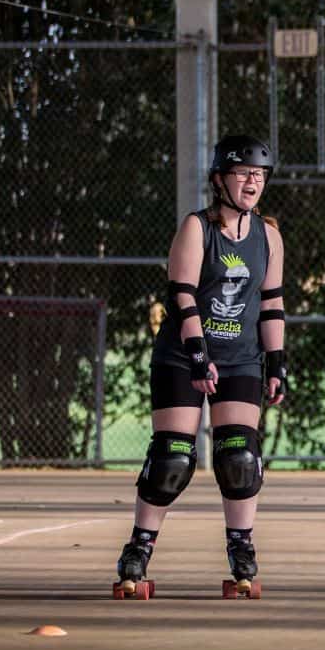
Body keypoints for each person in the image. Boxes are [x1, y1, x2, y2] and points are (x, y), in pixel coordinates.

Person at [113, 134, 287, 600]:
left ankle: (241, 549)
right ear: (219, 179)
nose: (252, 182)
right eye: (243, 173)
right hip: (182, 353)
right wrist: (197, 354)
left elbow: (271, 303)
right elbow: (181, 293)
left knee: (239, 458)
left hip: (241, 358)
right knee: (172, 456)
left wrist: (277, 363)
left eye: (259, 175)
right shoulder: (197, 227)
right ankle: (139, 549)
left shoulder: (268, 236)